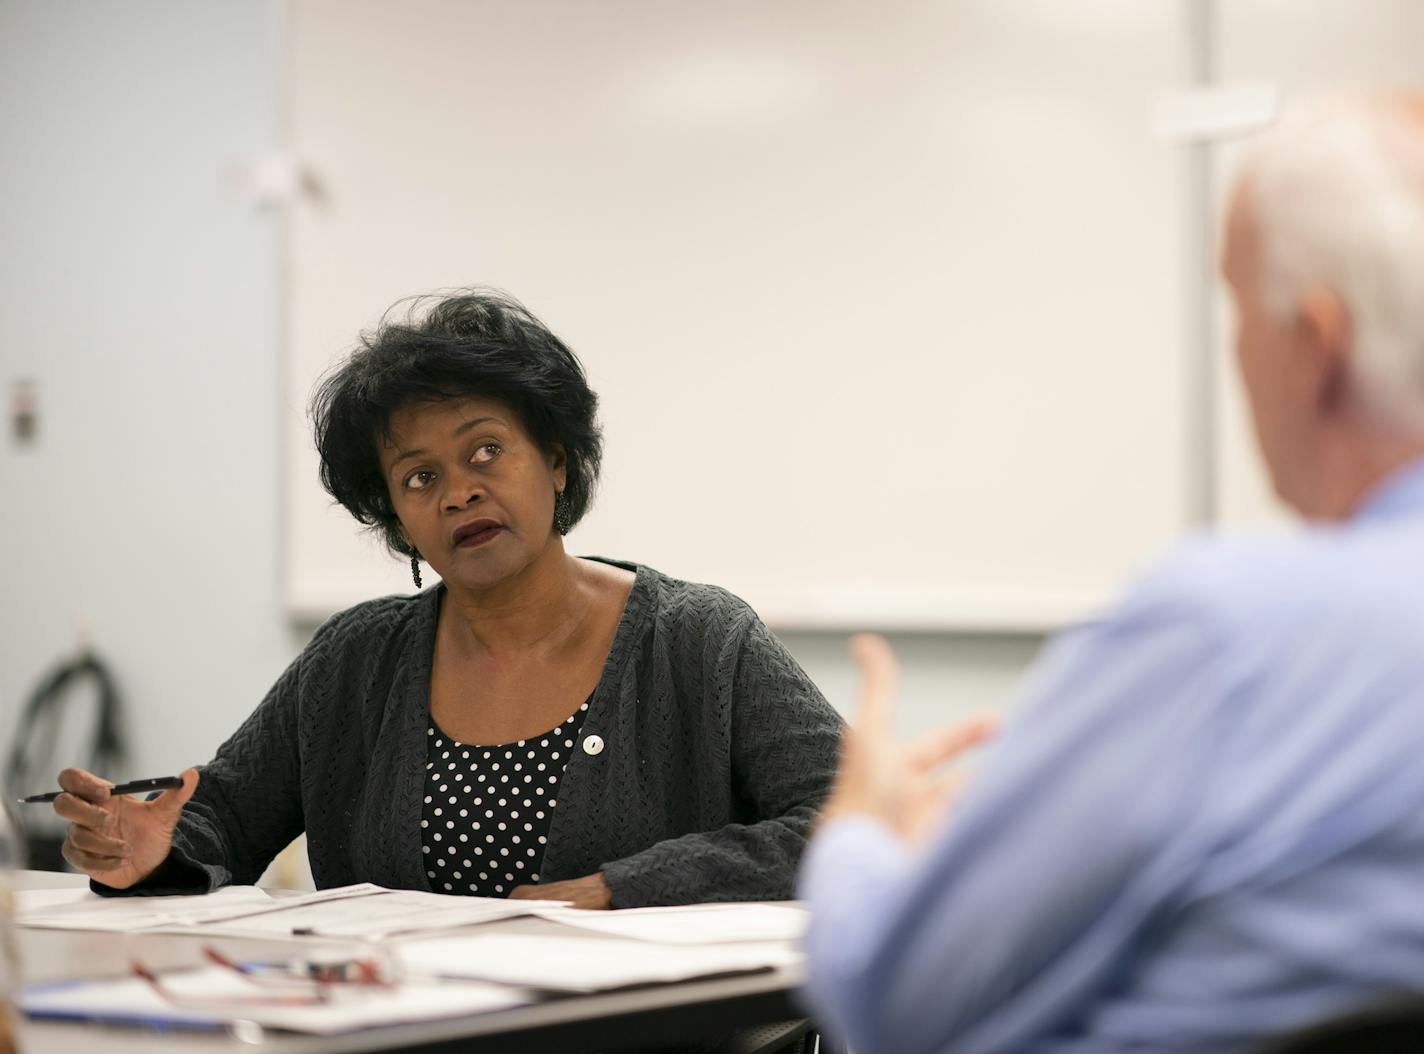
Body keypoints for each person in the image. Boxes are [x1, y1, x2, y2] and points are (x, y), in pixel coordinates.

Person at [801, 93, 1424, 1052]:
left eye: (1235, 307)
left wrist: (863, 828)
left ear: (1315, 347)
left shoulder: (1227, 636)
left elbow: (895, 1010)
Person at [52, 290, 841, 908]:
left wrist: (631, 887)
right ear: (396, 515)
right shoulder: (355, 660)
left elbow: (856, 822)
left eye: (486, 451)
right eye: (420, 477)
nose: (460, 493)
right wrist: (149, 849)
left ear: (557, 462)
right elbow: (221, 813)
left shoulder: (698, 641)